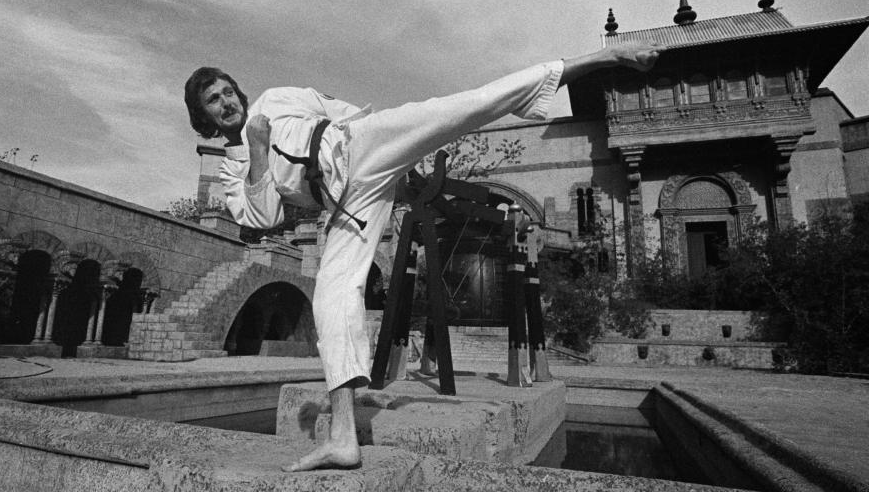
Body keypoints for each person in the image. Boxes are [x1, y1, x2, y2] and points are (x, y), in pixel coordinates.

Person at [183, 41, 664, 472]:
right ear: (204, 117)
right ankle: (343, 437)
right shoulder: (234, 168)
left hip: (358, 146)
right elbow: (264, 217)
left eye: (227, 91)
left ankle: (598, 58)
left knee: (461, 106)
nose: (226, 102)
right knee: (329, 299)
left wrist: (400, 156)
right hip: (345, 204)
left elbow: (340, 109)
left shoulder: (276, 98)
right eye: (214, 101)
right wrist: (259, 150)